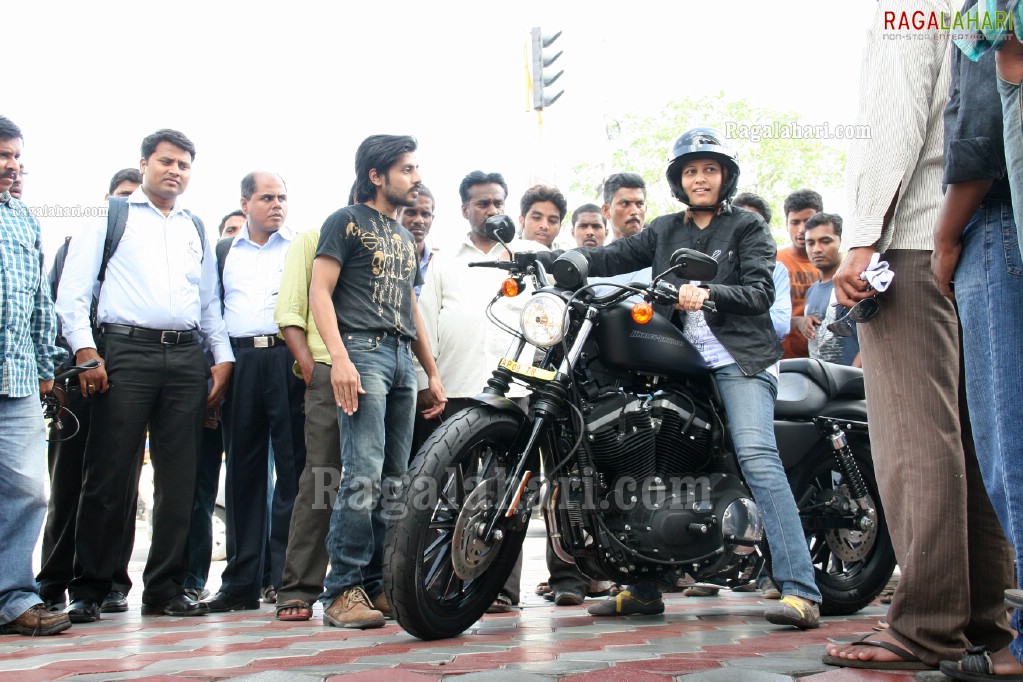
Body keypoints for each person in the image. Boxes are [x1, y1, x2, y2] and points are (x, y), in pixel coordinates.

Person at [543, 127, 822, 630]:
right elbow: (611, 258)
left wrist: (707, 292)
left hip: (739, 358)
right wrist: (558, 260)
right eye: (691, 171)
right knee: (648, 456)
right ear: (679, 179)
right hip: (680, 360)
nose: (700, 178)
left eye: (709, 169)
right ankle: (644, 588)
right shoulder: (666, 229)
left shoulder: (748, 229)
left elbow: (760, 292)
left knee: (757, 456)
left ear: (725, 176)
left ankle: (801, 587)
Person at [823, 0, 1014, 670]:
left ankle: (925, 625)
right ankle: (984, 623)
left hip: (909, 240)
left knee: (913, 442)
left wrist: (862, 238)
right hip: (972, 233)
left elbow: (893, 120)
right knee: (966, 438)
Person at [55, 128, 234, 621]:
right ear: (144, 163)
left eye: (184, 165)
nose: (175, 171)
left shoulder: (194, 227)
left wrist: (221, 359)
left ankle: (164, 590)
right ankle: (89, 589)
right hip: (124, 352)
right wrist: (88, 354)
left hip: (184, 359)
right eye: (167, 161)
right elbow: (73, 291)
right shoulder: (109, 216)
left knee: (180, 480)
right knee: (109, 475)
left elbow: (209, 304)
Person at [309, 134, 446, 629]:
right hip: (361, 352)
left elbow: (412, 308)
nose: (415, 177)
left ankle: (374, 585)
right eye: (406, 169)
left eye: (415, 168)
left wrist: (431, 371)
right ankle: (341, 590)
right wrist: (339, 358)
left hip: (400, 358)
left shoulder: (406, 237)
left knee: (395, 481)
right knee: (361, 473)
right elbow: (319, 292)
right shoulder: (344, 221)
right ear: (376, 175)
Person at [931, 8, 1023, 678]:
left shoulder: (984, 9)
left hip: (1000, 221)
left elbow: (983, 119)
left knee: (1009, 445)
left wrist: (943, 233)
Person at [416, 171, 550, 613]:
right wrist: (427, 383)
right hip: (457, 390)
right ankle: (446, 586)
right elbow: (426, 321)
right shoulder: (445, 261)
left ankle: (499, 590)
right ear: (464, 210)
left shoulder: (532, 255)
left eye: (497, 203)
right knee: (450, 494)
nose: (492, 211)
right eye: (482, 204)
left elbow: (553, 317)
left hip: (519, 393)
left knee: (511, 493)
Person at [37, 168, 144, 615]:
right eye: (122, 198)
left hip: (127, 377)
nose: (129, 208)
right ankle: (52, 581)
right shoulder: (72, 248)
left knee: (119, 483)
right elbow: (52, 313)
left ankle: (111, 579)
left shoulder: (144, 255)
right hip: (76, 376)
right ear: (107, 201)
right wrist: (60, 374)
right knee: (68, 484)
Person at [202, 172, 305, 613]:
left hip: (289, 360)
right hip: (240, 363)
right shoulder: (223, 250)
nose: (276, 205)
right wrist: (221, 364)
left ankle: (287, 582)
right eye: (267, 198)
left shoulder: (302, 247)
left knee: (294, 473)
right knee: (243, 474)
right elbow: (211, 309)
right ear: (245, 203)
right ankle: (240, 583)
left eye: (282, 197)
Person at [0, 114, 72, 637]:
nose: (12, 166)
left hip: (19, 378)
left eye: (17, 157)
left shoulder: (24, 220)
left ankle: (13, 599)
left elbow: (41, 305)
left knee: (29, 490)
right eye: (4, 155)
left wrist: (48, 370)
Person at [272, 225, 339, 621]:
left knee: (380, 483)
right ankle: (298, 587)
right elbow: (290, 312)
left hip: (381, 371)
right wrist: (313, 369)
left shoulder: (394, 238)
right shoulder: (315, 237)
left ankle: (371, 584)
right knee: (321, 479)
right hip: (328, 371)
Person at [183, 208, 246, 602]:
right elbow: (207, 323)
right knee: (198, 489)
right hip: (200, 388)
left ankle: (252, 575)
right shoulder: (216, 260)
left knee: (244, 482)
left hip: (241, 383)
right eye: (230, 234)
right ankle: (190, 579)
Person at [800, 213, 860, 367]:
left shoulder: (855, 283)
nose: (816, 249)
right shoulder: (811, 290)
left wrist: (854, 377)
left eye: (825, 241)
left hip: (853, 383)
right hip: (821, 384)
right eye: (810, 243)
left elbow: (874, 337)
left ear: (843, 242)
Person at [777, 189, 824, 359]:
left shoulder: (833, 266)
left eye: (808, 221)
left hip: (824, 361)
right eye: (795, 222)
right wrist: (798, 322)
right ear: (786, 224)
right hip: (782, 361)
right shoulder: (773, 262)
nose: (802, 229)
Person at [400, 184, 437, 297]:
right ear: (396, 214)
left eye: (425, 214)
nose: (419, 220)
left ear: (432, 218)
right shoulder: (381, 258)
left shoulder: (438, 263)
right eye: (411, 212)